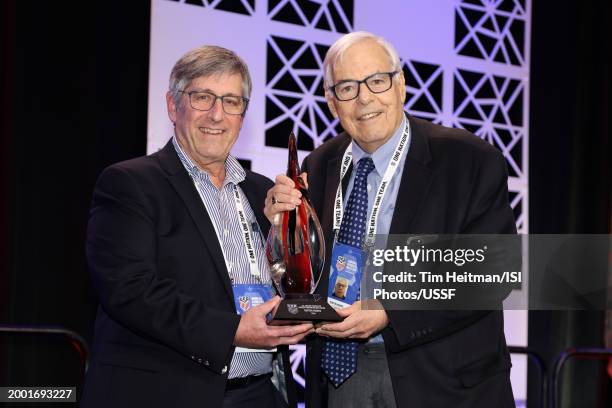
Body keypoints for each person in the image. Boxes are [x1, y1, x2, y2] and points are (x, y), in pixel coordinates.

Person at [264, 32, 516, 408]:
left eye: (377, 80)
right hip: (339, 373)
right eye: (347, 87)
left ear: (401, 85)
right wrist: (279, 229)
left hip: (441, 377)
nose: (364, 98)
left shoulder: (468, 160)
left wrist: (389, 311)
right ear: (332, 104)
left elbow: (495, 270)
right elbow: (306, 270)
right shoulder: (318, 165)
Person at [81, 45, 313, 408]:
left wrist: (284, 236)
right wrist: (232, 330)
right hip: (167, 394)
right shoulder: (130, 183)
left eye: (232, 101)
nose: (217, 115)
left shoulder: (261, 192)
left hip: (261, 394)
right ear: (174, 106)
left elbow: (283, 283)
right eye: (203, 97)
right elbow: (130, 290)